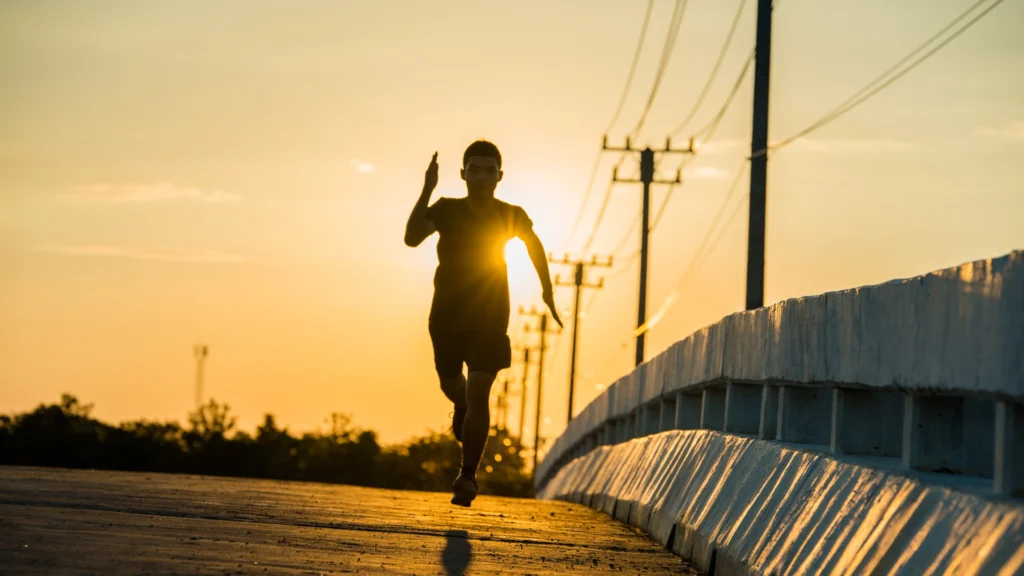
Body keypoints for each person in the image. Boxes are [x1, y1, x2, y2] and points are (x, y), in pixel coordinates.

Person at [404, 140, 562, 507]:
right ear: (462, 174)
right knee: (452, 386)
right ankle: (461, 408)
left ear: (500, 176)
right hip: (445, 316)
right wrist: (427, 189)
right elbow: (412, 238)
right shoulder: (446, 210)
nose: (482, 175)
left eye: (489, 169)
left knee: (478, 392)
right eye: (474, 169)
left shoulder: (511, 214)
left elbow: (534, 246)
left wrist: (548, 289)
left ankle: (468, 476)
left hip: (490, 317)